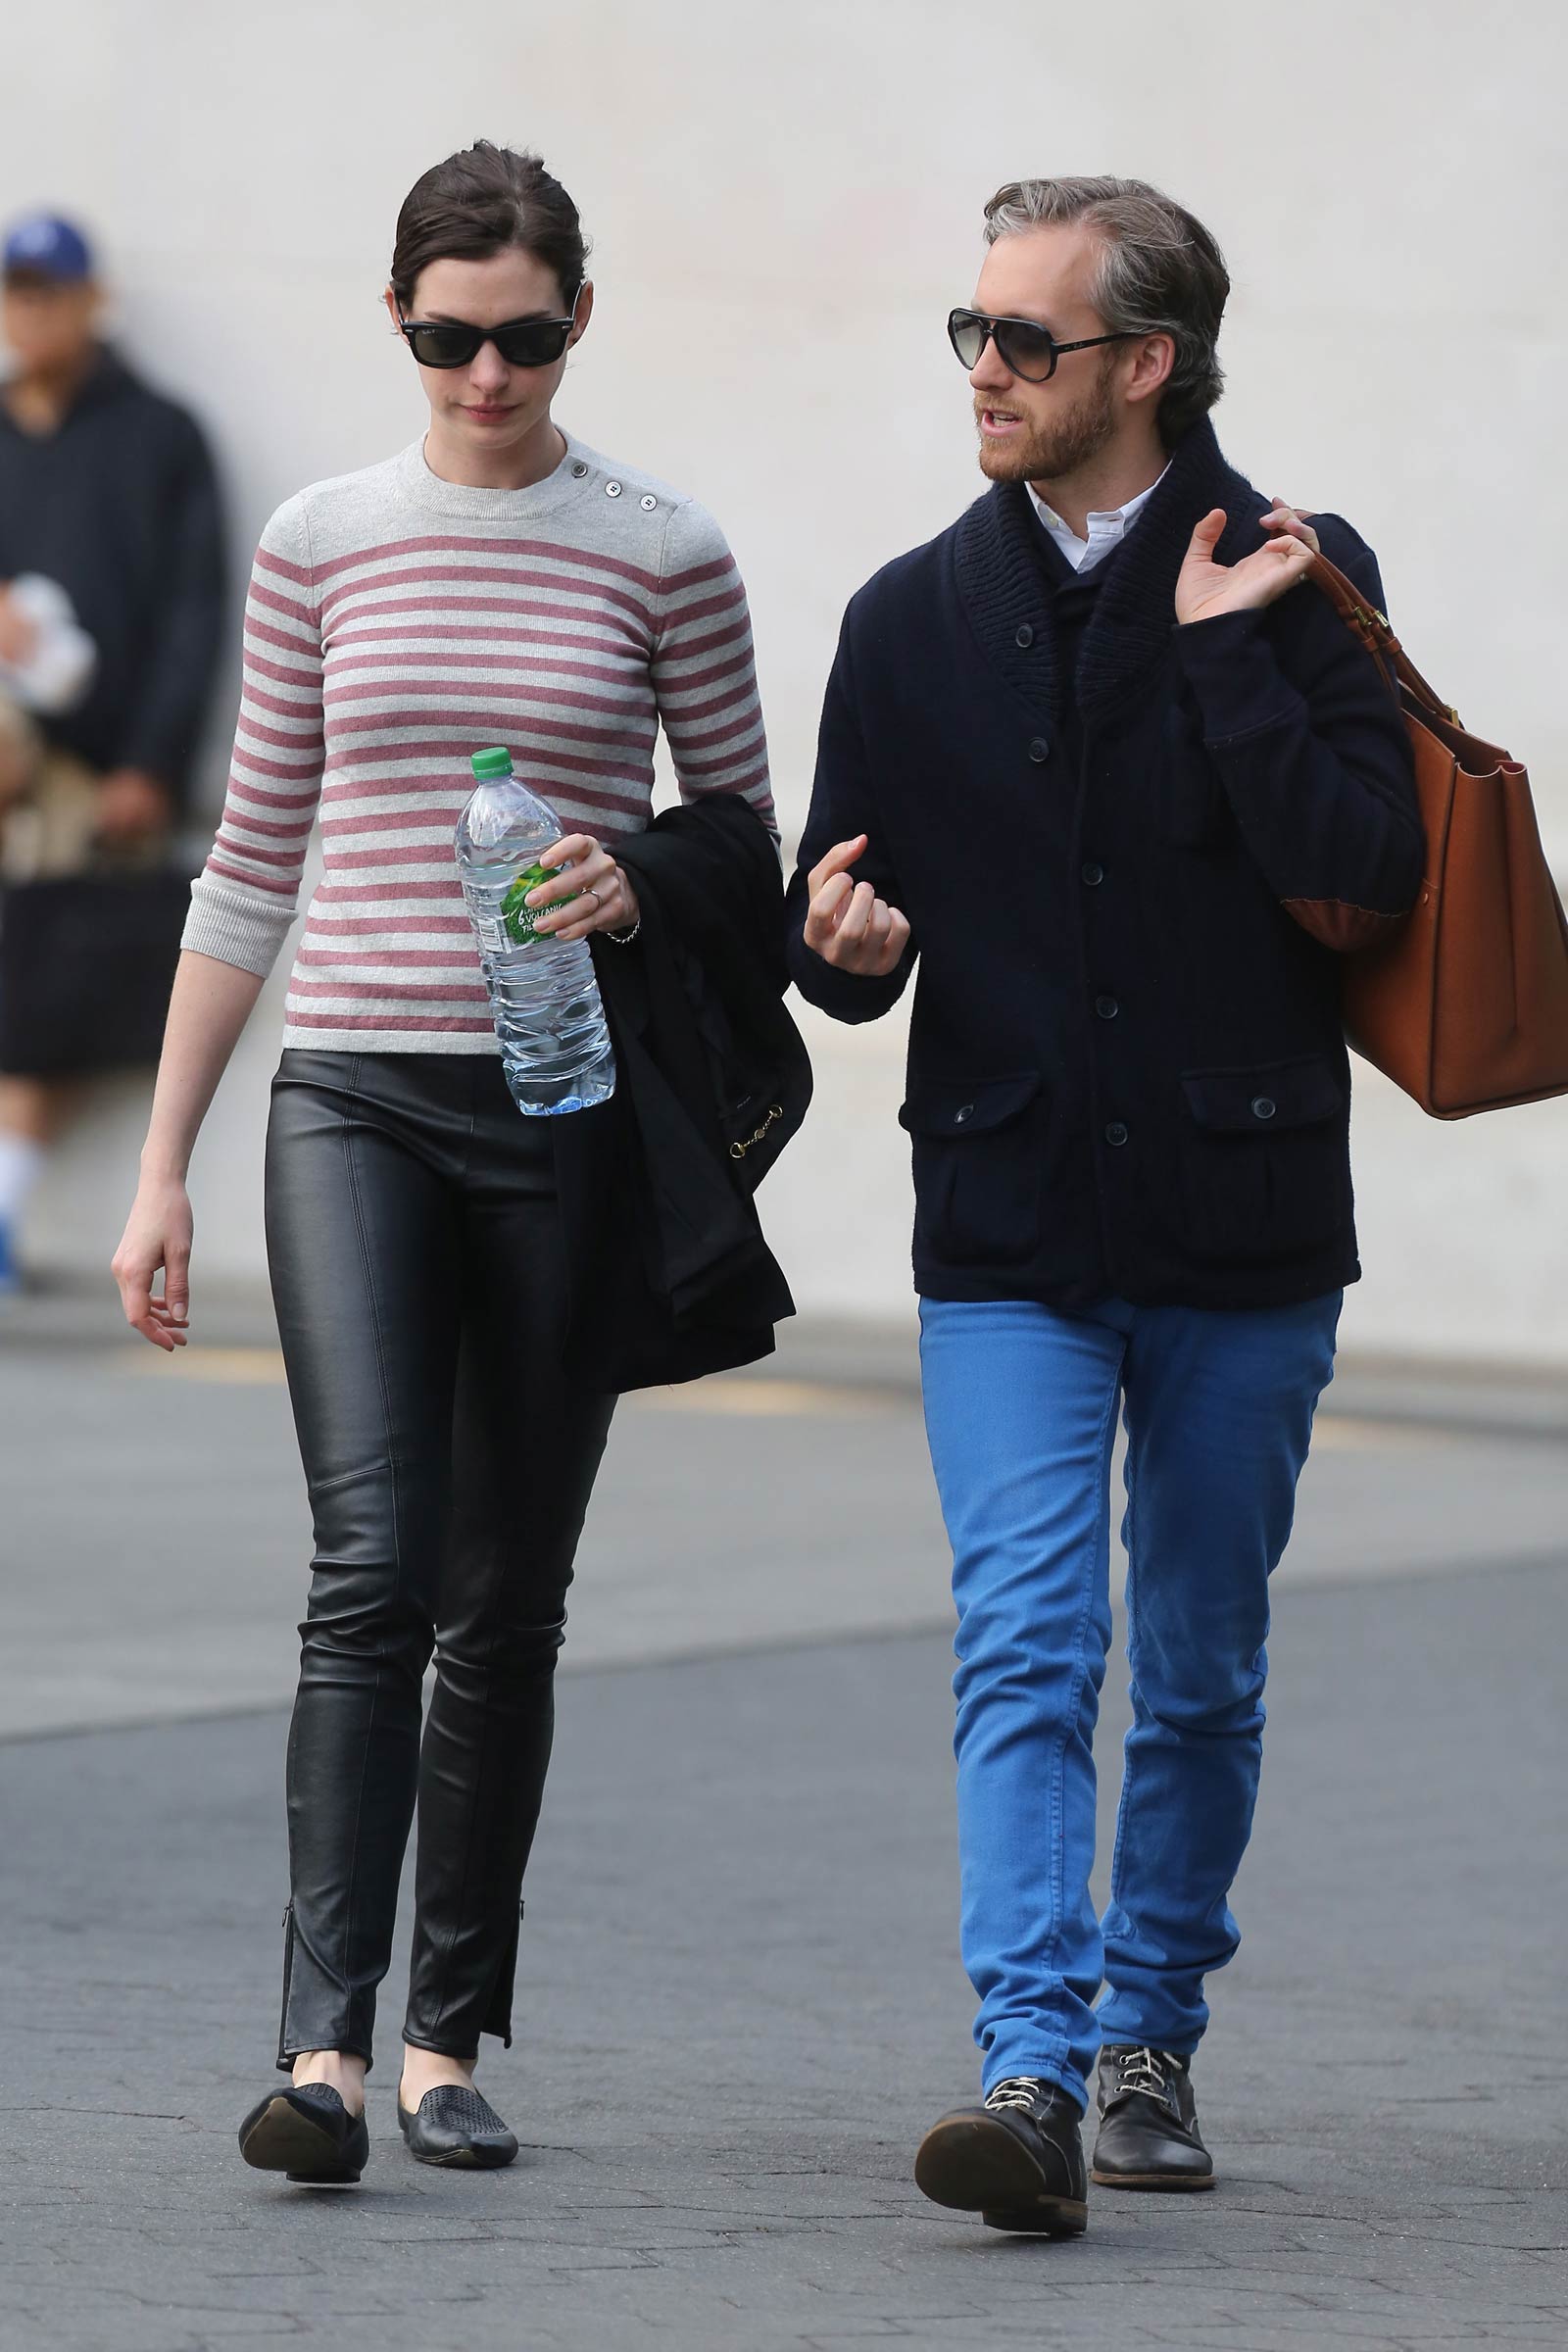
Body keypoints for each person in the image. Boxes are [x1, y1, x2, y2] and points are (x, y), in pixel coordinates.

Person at [111, 140, 784, 2184]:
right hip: (357, 1099)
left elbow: (741, 850)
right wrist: (162, 1167)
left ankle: (446, 2036)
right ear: (396, 323)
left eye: (515, 336)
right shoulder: (325, 538)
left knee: (504, 1593)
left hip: (564, 1113)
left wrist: (630, 874)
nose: (480, 375)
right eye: (439, 337)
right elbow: (250, 860)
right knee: (370, 1569)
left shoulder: (662, 549)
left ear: (575, 316)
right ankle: (317, 2053)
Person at [786, 175, 1421, 2234]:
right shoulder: (903, 616)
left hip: (1240, 1215)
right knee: (1029, 1643)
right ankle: (1033, 2071)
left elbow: (1367, 877)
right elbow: (840, 912)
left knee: (1205, 1661)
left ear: (1142, 366)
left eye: (1021, 342)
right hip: (1005, 1225)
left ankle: (1151, 2033)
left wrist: (1231, 661)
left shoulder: (1298, 579)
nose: (981, 370)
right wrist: (847, 945)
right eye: (965, 332)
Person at [0, 213, 224, 1287]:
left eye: (49, 291)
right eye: (16, 290)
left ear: (93, 299)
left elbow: (195, 612)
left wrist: (149, 761)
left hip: (93, 777)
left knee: (48, 977)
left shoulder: (159, 436)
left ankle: (2, 1210)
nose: (30, 312)